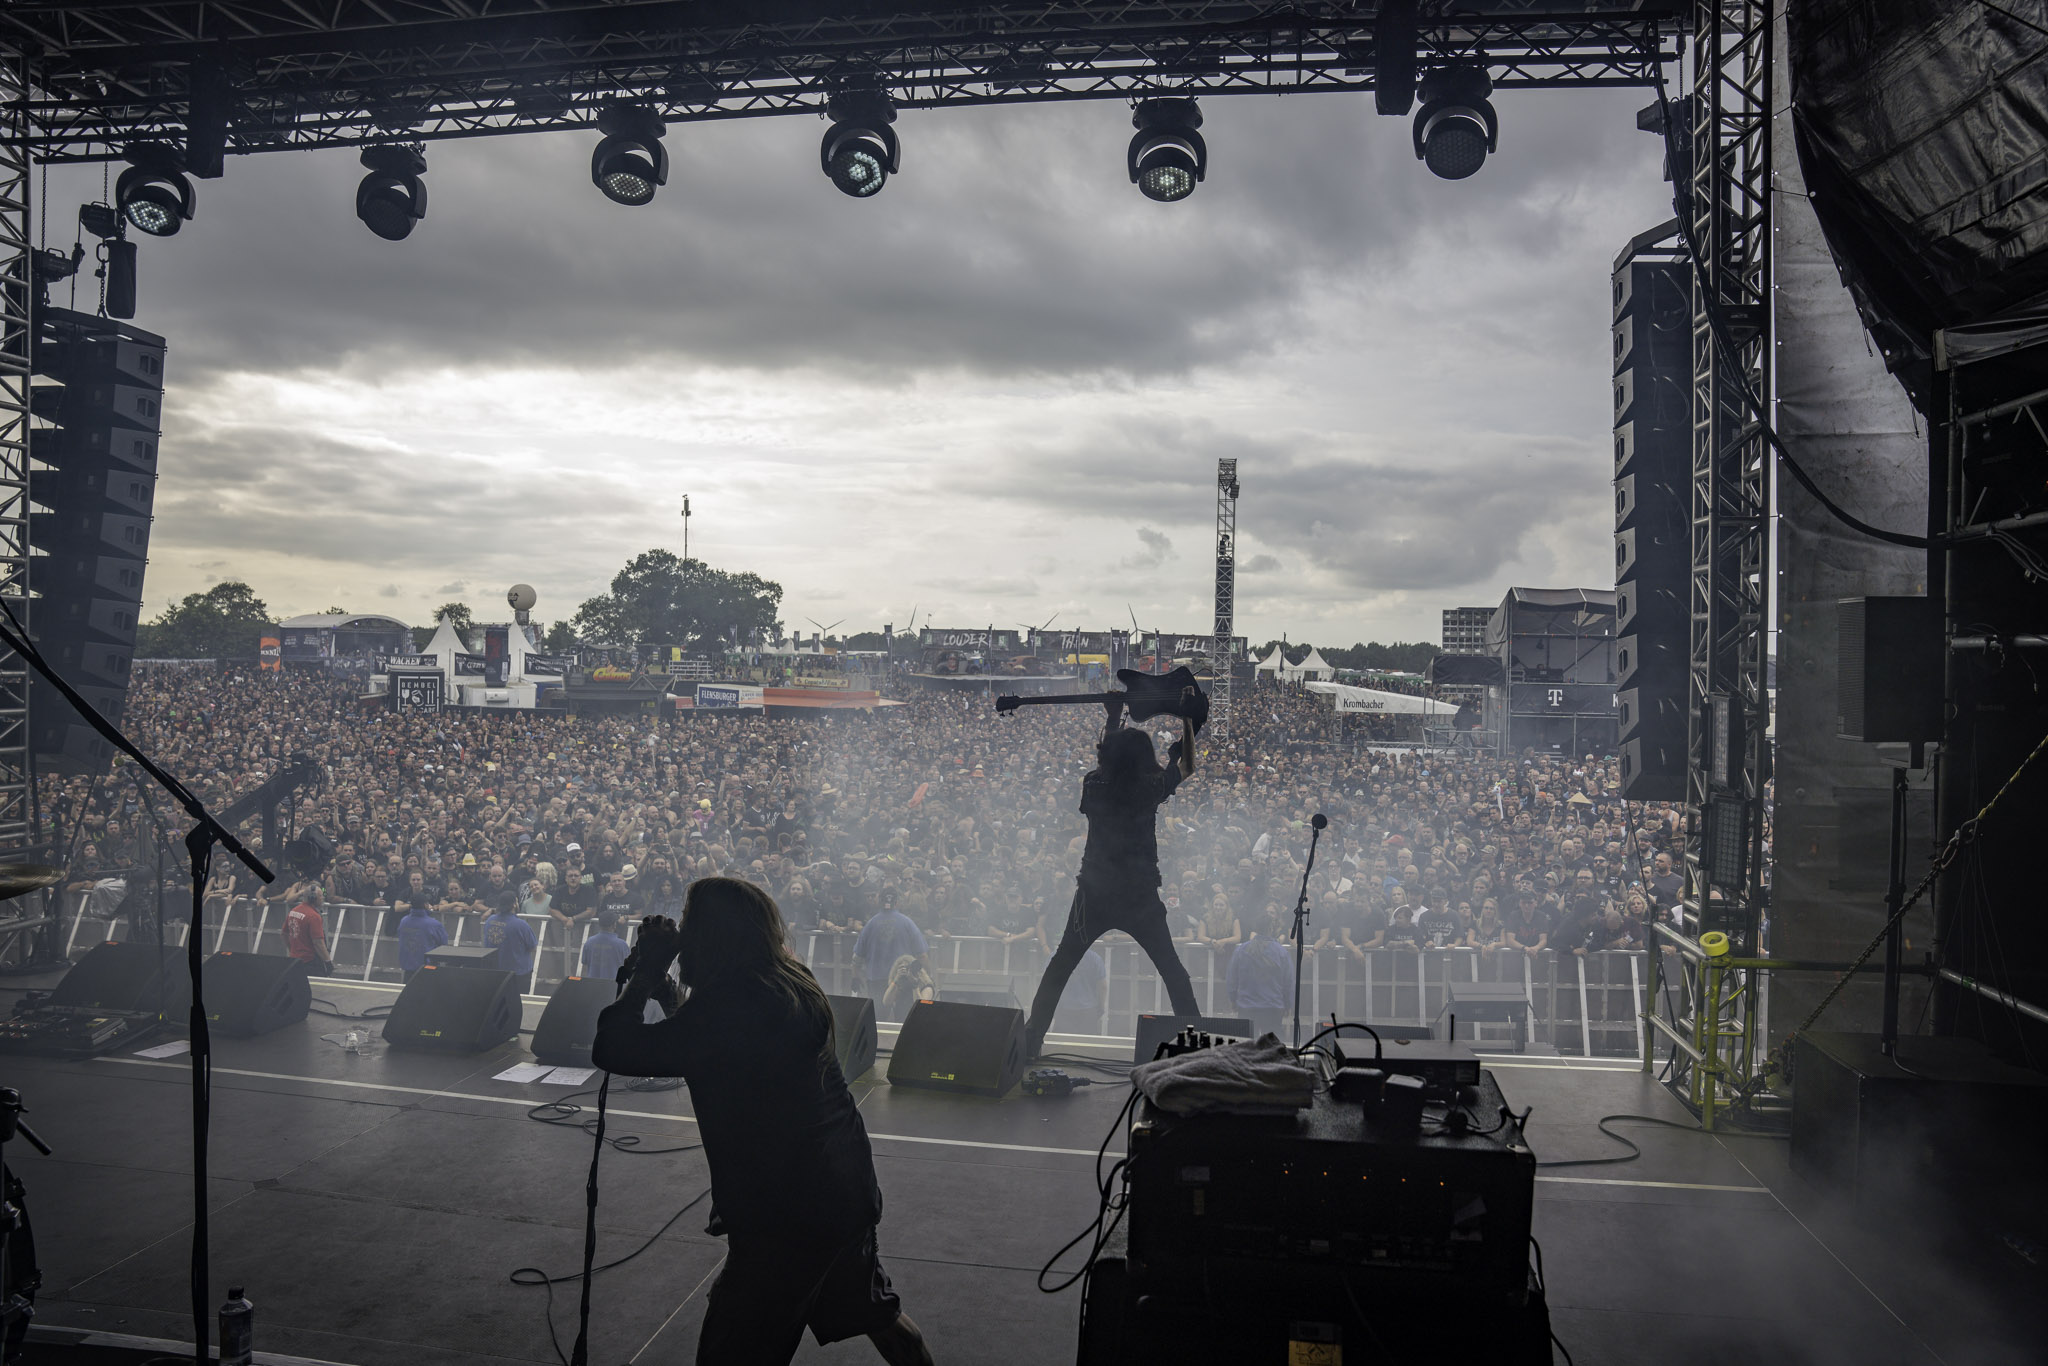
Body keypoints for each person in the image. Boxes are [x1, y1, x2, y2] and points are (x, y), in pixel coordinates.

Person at [591, 881, 933, 1366]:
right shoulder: (786, 981)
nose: (682, 934)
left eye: (690, 924)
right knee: (877, 1317)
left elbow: (613, 1049)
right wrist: (669, 987)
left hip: (785, 1217)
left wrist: (647, 972)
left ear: (713, 936)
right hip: (841, 1194)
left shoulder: (731, 1007)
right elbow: (709, 1040)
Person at [1022, 690, 1202, 1060]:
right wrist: (1186, 719)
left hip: (1095, 894)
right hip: (1138, 895)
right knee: (1173, 972)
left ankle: (1030, 1041)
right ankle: (1198, 1045)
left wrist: (1113, 715)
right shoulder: (1149, 788)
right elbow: (1186, 767)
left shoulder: (1095, 784)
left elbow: (1105, 761)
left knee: (1059, 968)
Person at [851, 892, 926, 1015]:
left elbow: (857, 958)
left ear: (879, 902)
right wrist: (926, 978)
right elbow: (922, 955)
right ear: (897, 903)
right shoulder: (908, 923)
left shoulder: (870, 924)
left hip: (876, 979)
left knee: (878, 1020)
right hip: (903, 978)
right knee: (903, 1020)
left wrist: (855, 977)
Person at [1226, 909, 1294, 1040]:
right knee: (1272, 1050)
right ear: (1272, 929)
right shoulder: (1281, 952)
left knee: (1246, 1049)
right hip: (1273, 1007)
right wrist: (1288, 1004)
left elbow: (1232, 979)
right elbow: (1288, 982)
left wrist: (1233, 999)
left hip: (1246, 1006)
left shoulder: (1241, 950)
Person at [284, 882, 336, 976]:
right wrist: (328, 962)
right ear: (313, 898)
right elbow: (318, 943)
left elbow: (284, 934)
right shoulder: (313, 916)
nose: (323, 898)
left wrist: (292, 949)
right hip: (310, 962)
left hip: (295, 959)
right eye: (320, 896)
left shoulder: (293, 911)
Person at [481, 897, 538, 977]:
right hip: (518, 972)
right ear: (514, 905)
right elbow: (533, 947)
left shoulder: (489, 920)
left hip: (495, 972)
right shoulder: (521, 924)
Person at [395, 896, 449, 977]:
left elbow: (400, 936)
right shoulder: (434, 924)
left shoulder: (403, 921)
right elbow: (444, 943)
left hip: (407, 966)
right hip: (427, 968)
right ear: (426, 905)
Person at [580, 910, 632, 982]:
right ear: (614, 924)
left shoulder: (589, 942)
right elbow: (629, 967)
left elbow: (584, 962)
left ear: (599, 924)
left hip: (592, 985)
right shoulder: (622, 945)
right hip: (613, 987)